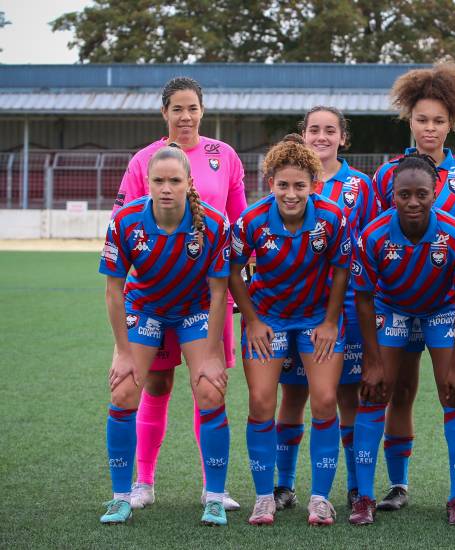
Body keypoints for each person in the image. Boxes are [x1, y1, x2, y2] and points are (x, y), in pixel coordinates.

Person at [112, 76, 246, 512]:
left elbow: (239, 222)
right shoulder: (143, 160)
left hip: (207, 296)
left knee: (208, 385)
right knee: (156, 382)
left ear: (202, 111)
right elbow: (128, 225)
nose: (185, 117)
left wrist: (239, 281)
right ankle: (143, 482)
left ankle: (214, 488)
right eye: (177, 109)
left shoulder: (223, 156)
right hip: (151, 298)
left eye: (192, 108)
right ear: (164, 113)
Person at [370, 61, 455, 512]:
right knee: (399, 393)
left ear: (452, 121)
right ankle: (398, 485)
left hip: (449, 307)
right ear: (410, 120)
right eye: (422, 119)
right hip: (398, 307)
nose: (430, 128)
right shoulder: (388, 176)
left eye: (439, 120)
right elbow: (376, 242)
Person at [98, 146, 232, 525]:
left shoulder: (214, 224)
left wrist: (210, 352)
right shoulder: (125, 221)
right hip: (146, 308)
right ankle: (122, 496)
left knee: (209, 388)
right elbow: (113, 291)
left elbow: (220, 293)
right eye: (159, 180)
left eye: (175, 180)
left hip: (195, 310)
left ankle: (215, 497)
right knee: (124, 389)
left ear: (190, 183)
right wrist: (123, 352)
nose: (167, 188)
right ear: (147, 183)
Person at [228, 134, 351, 526]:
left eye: (300, 185)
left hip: (316, 320)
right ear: (271, 184)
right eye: (283, 185)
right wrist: (252, 319)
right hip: (269, 318)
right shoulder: (251, 220)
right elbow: (232, 269)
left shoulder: (332, 218)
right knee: (262, 402)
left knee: (325, 400)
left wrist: (331, 321)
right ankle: (264, 498)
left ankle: (320, 499)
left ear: (314, 185)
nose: (292, 193)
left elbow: (342, 269)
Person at [349, 154, 455, 526]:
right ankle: (365, 497)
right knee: (374, 393)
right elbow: (364, 298)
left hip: (442, 310)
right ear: (392, 195)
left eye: (422, 193)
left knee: (454, 394)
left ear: (436, 192)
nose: (413, 202)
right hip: (393, 309)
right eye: (404, 194)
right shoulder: (373, 236)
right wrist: (372, 362)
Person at [271, 106, 379, 511]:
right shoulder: (288, 181)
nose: (321, 136)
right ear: (303, 135)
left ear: (342, 138)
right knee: (293, 396)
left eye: (329, 130)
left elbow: (369, 248)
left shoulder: (360, 186)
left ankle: (355, 487)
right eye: (314, 129)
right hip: (293, 310)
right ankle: (283, 485)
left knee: (345, 397)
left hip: (345, 308)